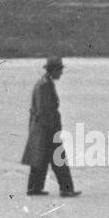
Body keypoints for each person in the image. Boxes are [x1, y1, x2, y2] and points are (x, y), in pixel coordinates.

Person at [21, 57, 79, 197]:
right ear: (54, 70)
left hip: (42, 129)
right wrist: (54, 131)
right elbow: (44, 111)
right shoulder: (45, 86)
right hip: (47, 129)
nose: (61, 73)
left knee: (40, 159)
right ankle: (66, 189)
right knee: (58, 160)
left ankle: (34, 188)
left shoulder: (45, 83)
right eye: (60, 70)